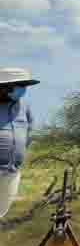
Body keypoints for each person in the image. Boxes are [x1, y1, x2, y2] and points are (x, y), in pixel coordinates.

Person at [0, 68, 38, 218]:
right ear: (5, 87)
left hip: (11, 171)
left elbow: (29, 132)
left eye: (25, 86)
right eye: (19, 85)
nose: (23, 89)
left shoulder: (24, 107)